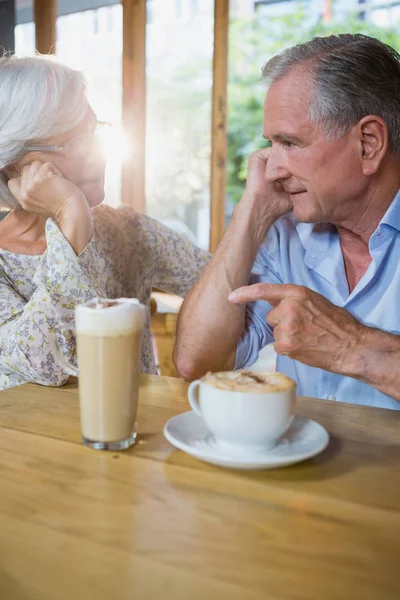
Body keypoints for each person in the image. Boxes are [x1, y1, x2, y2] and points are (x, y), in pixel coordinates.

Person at [174, 33, 400, 410]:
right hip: (303, 467)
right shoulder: (287, 235)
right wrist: (251, 212)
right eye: (271, 145)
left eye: (290, 143)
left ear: (369, 143)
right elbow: (196, 361)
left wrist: (351, 346)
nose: (271, 169)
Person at [0, 54, 209, 391]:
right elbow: (44, 364)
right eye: (74, 141)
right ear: (12, 164)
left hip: (138, 436)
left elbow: (225, 289)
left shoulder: (128, 231)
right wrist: (71, 216)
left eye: (94, 131)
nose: (98, 154)